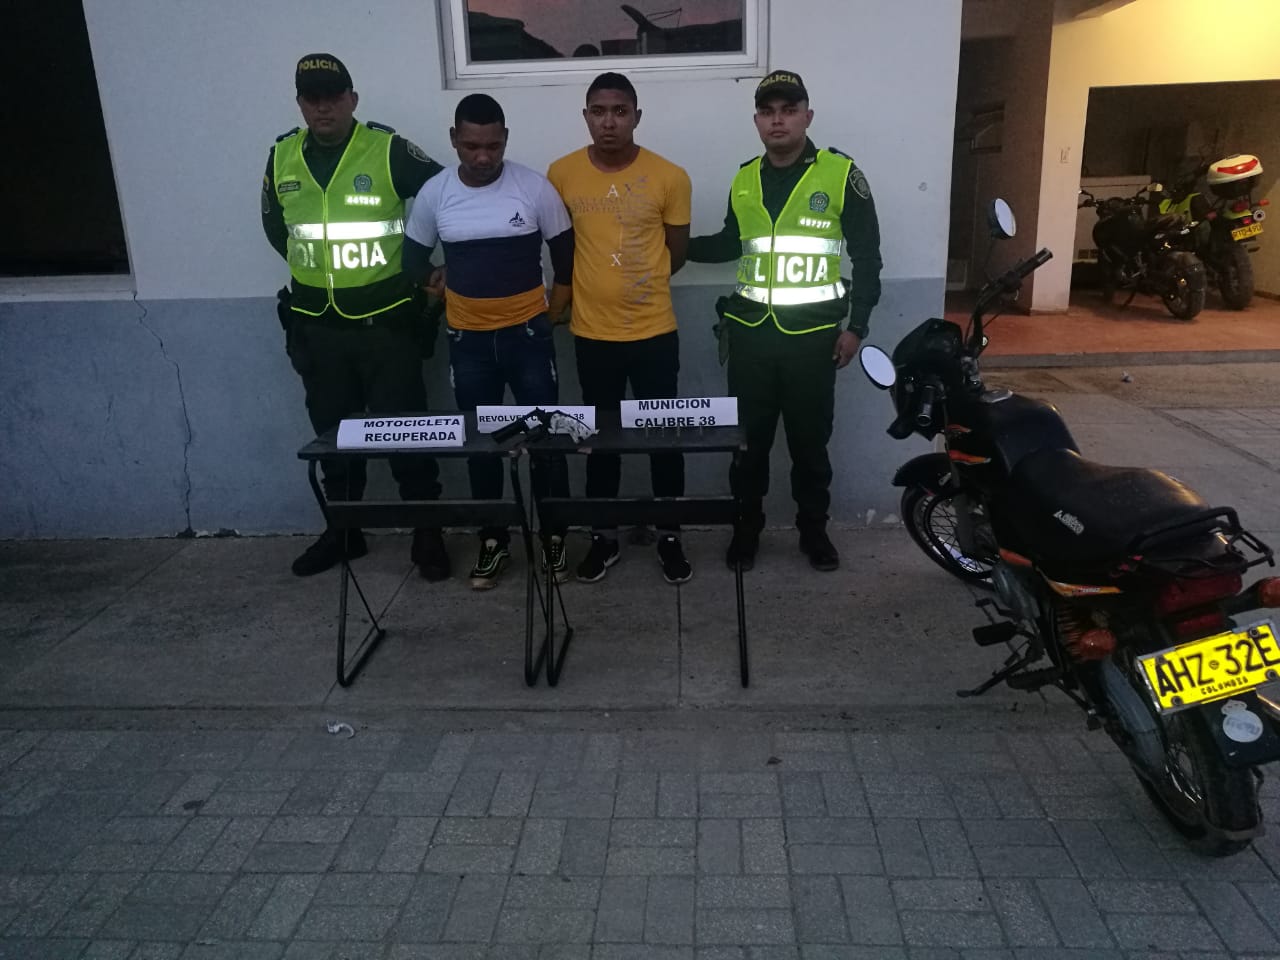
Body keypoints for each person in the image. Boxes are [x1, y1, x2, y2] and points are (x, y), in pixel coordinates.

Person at [262, 53, 451, 581]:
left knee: (406, 433)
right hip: (317, 326)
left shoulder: (388, 149)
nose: (323, 107)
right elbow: (277, 229)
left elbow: (449, 197)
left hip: (385, 325)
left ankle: (427, 533)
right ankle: (344, 531)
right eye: (312, 98)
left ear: (353, 99)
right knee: (334, 439)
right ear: (300, 103)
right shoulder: (281, 156)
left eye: (333, 96)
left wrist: (431, 268)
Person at [687, 70, 882, 572]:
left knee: (810, 447)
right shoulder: (744, 177)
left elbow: (868, 257)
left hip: (813, 342)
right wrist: (672, 246)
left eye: (789, 110)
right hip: (750, 339)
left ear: (807, 117)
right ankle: (745, 531)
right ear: (756, 121)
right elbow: (730, 243)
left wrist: (856, 327)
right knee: (747, 447)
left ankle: (813, 532)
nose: (778, 120)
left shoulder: (840, 174)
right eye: (768, 111)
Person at [404, 94, 575, 590]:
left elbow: (566, 256)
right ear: (454, 139)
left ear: (506, 139)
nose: (483, 157)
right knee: (483, 445)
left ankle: (554, 537)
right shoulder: (436, 193)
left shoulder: (533, 187)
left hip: (528, 339)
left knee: (546, 438)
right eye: (472, 146)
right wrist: (432, 277)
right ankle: (493, 540)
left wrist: (552, 314)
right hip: (469, 344)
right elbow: (411, 259)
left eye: (494, 146)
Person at [546, 72, 694, 585]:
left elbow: (676, 254)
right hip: (592, 335)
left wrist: (636, 283)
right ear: (586, 116)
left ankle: (670, 535)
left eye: (620, 111)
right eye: (598, 111)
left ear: (636, 116)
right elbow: (561, 249)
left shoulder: (670, 176)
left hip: (655, 333)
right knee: (599, 443)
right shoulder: (561, 174)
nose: (609, 122)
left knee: (663, 439)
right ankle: (603, 538)